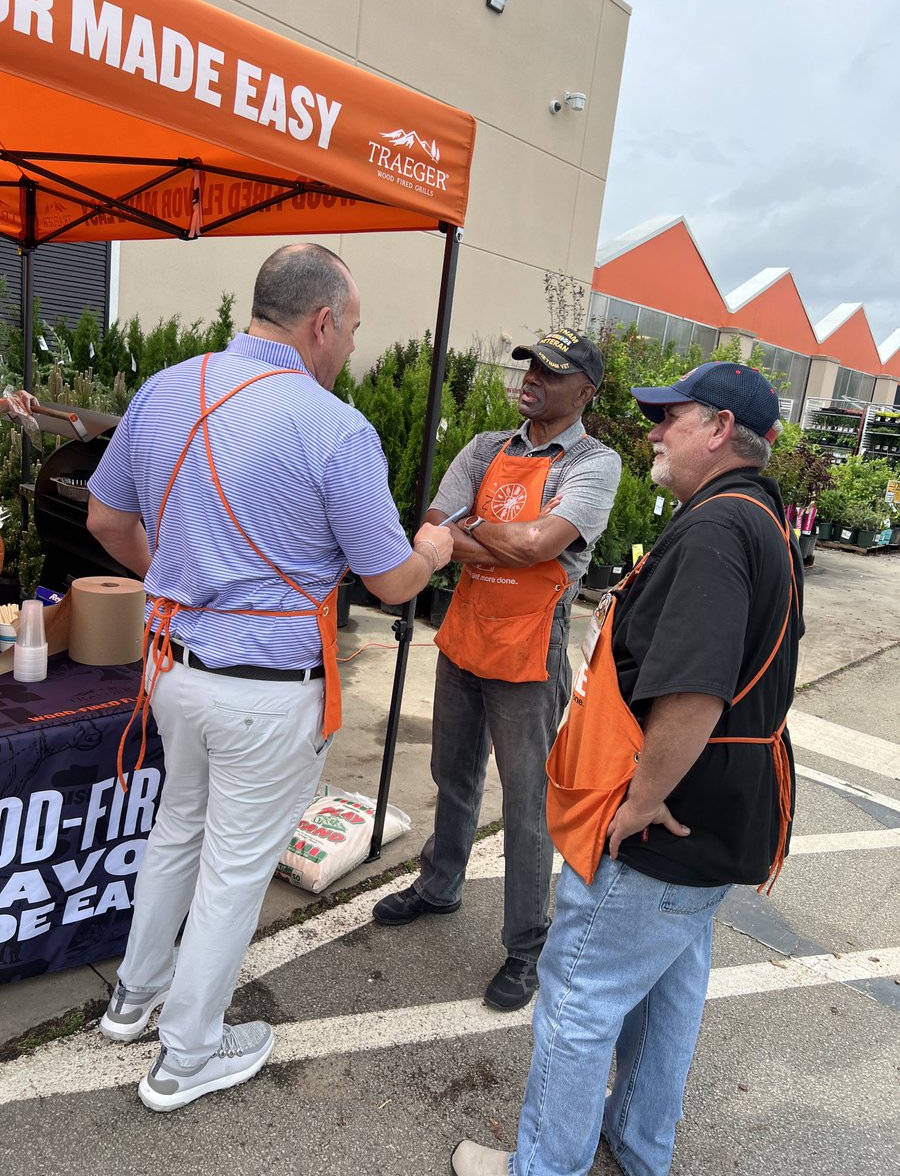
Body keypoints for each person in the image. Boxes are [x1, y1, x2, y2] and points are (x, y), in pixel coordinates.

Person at [86, 243, 453, 1112]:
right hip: (266, 687)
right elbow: (391, 580)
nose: (353, 349)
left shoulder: (167, 387)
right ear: (321, 321)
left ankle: (132, 1001)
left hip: (175, 667)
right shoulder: (335, 427)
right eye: (354, 329)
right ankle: (187, 1055)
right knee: (235, 867)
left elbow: (105, 518)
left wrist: (177, 579)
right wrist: (435, 546)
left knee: (179, 831)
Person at [449, 361, 804, 1176]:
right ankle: (638, 1147)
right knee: (670, 990)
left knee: (578, 997)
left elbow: (694, 692)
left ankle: (543, 1167)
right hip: (726, 811)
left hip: (668, 817)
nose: (651, 431)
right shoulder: (756, 516)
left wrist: (641, 802)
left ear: (718, 428)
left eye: (667, 417)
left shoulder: (716, 530)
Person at [373, 328, 621, 1011]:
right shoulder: (487, 447)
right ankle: (439, 883)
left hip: (529, 649)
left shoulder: (595, 463)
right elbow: (432, 522)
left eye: (553, 370)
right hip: (464, 636)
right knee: (452, 776)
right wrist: (492, 539)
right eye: (530, 365)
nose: (533, 377)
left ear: (586, 392)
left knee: (526, 805)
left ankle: (526, 944)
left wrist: (466, 533)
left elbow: (542, 542)